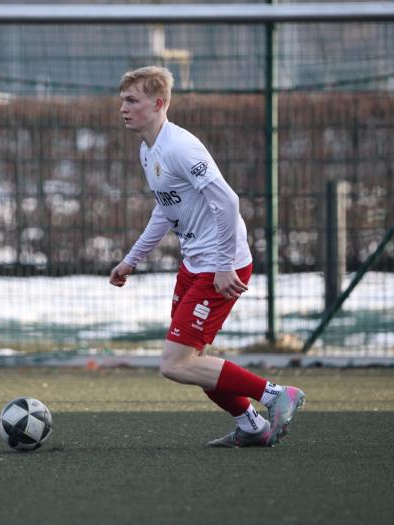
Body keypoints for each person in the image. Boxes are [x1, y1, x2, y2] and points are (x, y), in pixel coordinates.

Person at [109, 66, 305, 447]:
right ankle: (251, 425)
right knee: (192, 359)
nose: (123, 108)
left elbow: (227, 201)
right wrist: (131, 259)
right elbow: (165, 210)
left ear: (158, 103)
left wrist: (223, 263)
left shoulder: (180, 147)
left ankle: (277, 395)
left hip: (219, 265)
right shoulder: (148, 151)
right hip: (195, 265)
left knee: (175, 363)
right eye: (122, 101)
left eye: (131, 101)